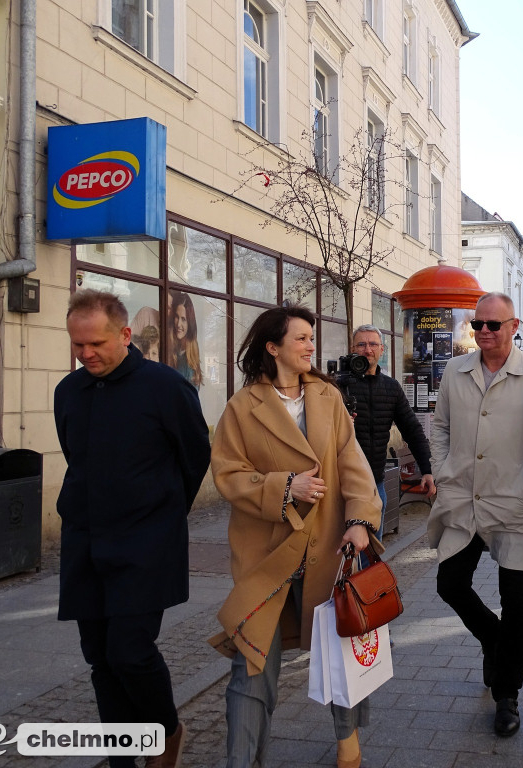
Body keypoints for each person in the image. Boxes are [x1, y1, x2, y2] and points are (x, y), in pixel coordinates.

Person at [209, 305, 382, 768]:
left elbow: (352, 464)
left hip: (328, 547)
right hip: (267, 556)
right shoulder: (242, 407)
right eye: (301, 338)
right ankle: (242, 760)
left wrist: (360, 520)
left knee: (341, 650)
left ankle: (348, 743)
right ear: (273, 347)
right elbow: (227, 474)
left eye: (311, 337)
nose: (310, 346)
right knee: (251, 663)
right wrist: (285, 486)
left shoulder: (327, 398)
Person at [54, 289, 211, 768]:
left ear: (125, 335)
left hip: (146, 543)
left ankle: (165, 732)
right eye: (78, 344)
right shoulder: (68, 392)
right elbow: (77, 458)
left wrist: (161, 513)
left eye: (96, 343)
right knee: (100, 658)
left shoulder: (166, 387)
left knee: (130, 652)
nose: (86, 354)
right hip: (85, 542)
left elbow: (195, 456)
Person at [428, 292, 523, 738]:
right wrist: (442, 471)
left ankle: (507, 696)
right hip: (462, 499)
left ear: (513, 326)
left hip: (512, 502)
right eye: (477, 324)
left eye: (493, 325)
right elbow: (440, 426)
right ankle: (492, 637)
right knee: (450, 584)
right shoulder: (455, 370)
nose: (483, 331)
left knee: (516, 602)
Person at [341, 324, 436, 538]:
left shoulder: (391, 387)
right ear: (353, 348)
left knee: (372, 551)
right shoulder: (338, 386)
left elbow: (412, 430)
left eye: (373, 344)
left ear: (382, 349)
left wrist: (427, 469)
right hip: (341, 484)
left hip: (375, 483)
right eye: (361, 344)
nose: (367, 350)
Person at [169, 291, 202, 387]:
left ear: (190, 323)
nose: (178, 324)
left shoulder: (188, 360)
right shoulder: (172, 347)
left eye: (183, 319)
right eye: (177, 317)